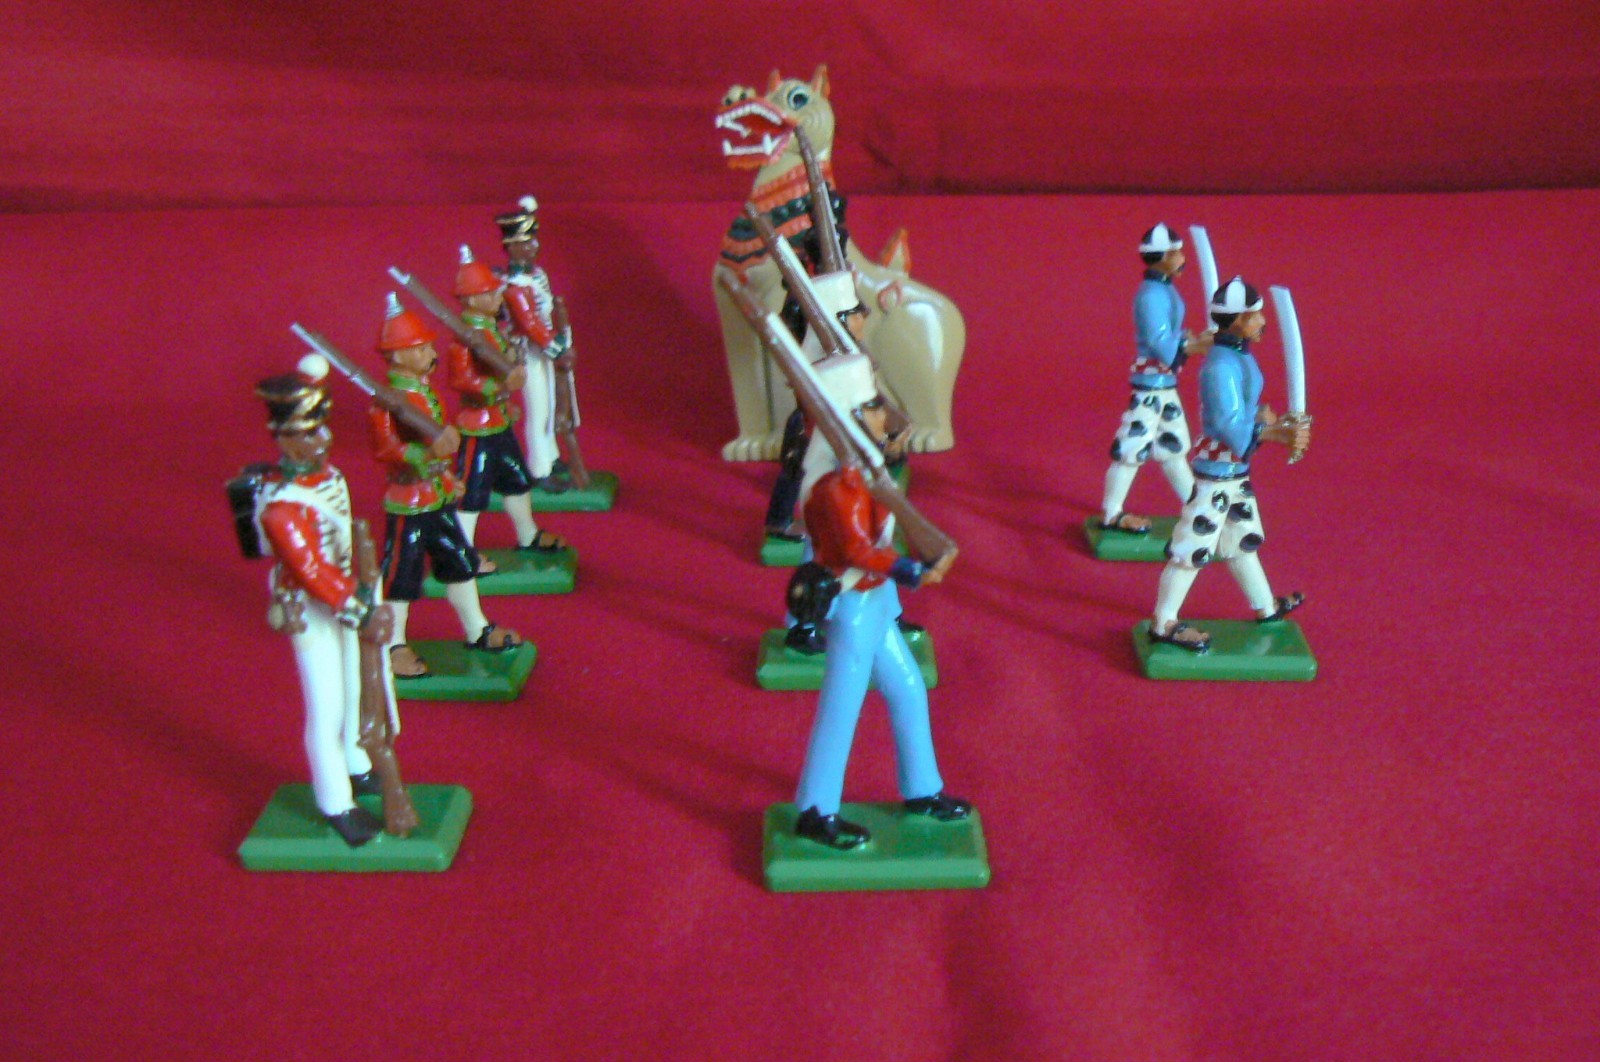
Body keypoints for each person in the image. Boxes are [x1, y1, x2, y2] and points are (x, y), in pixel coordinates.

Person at [790, 353, 968, 849]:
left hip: (876, 604)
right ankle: (816, 809)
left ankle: (923, 789)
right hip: (852, 605)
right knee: (841, 710)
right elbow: (856, 551)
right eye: (870, 407)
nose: (879, 414)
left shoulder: (862, 474)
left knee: (908, 687)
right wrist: (912, 570)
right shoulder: (836, 486)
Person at [248, 358, 387, 846]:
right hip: (313, 607)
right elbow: (311, 571)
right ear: (285, 439)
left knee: (355, 688)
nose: (323, 440)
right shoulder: (282, 508)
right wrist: (361, 608)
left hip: (348, 593)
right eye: (309, 433)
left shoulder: (329, 478)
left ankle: (357, 762)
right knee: (326, 704)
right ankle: (335, 801)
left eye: (321, 428)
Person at [1149, 276, 1312, 652]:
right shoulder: (1220, 367)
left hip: (1234, 473)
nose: (1262, 322)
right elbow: (1225, 423)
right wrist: (1275, 434)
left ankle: (1265, 606)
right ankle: (1163, 621)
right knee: (1192, 547)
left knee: (1241, 541)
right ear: (1237, 320)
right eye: (1255, 316)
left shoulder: (1239, 358)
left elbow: (1243, 409)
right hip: (1216, 475)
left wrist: (1266, 419)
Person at [370, 294, 522, 676]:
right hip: (408, 501)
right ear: (398, 356)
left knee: (461, 563)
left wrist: (446, 477)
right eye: (420, 349)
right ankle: (393, 645)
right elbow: (387, 449)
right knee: (401, 577)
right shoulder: (388, 402)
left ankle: (477, 629)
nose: (429, 354)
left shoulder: (422, 391)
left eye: (427, 347)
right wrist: (424, 455)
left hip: (435, 497)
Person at [445, 245, 567, 557]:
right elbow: (462, 380)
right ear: (472, 299)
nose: (497, 298)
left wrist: (503, 397)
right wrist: (497, 388)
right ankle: (463, 550)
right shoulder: (465, 339)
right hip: (478, 428)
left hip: (498, 421)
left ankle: (528, 534)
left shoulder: (490, 331)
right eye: (489, 293)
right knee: (472, 493)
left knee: (517, 480)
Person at [1101, 223, 1214, 533]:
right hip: (1150, 387)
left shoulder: (1165, 291)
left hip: (1164, 385)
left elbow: (1172, 336)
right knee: (1131, 448)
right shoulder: (1151, 295)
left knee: (1174, 447)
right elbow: (1158, 340)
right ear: (1161, 256)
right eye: (1175, 253)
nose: (1182, 258)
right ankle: (1112, 512)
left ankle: (1196, 508)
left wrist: (1193, 341)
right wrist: (1195, 345)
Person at [495, 195, 571, 491]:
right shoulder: (516, 287)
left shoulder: (537, 275)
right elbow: (529, 325)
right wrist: (557, 348)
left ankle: (551, 455)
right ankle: (539, 468)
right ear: (512, 247)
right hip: (528, 352)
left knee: (551, 404)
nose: (533, 247)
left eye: (533, 241)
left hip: (544, 349)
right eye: (526, 243)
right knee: (538, 409)